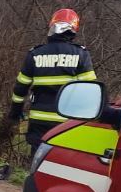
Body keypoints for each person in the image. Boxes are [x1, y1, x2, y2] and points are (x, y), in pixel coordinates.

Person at [8, 9, 97, 157]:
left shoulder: (35, 54)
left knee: (37, 158)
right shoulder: (81, 54)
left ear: (52, 26)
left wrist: (15, 112)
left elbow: (20, 88)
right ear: (73, 30)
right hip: (67, 122)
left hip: (39, 119)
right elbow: (91, 91)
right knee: (62, 160)